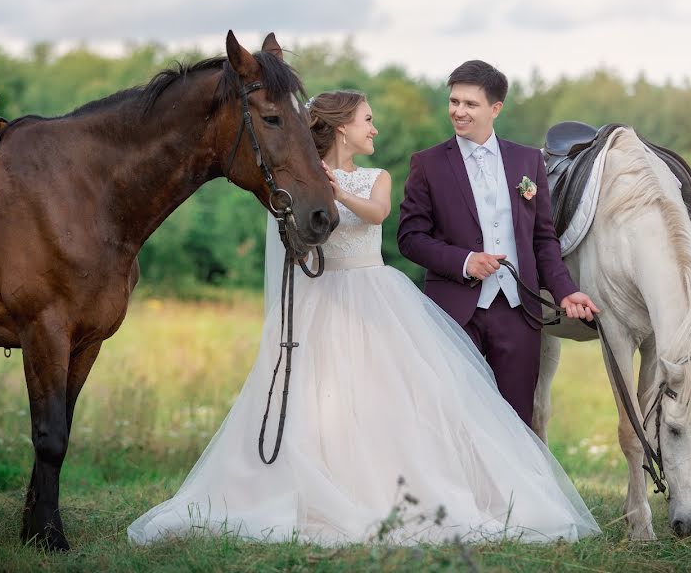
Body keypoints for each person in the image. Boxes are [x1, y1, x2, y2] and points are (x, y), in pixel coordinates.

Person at [127, 90, 600, 546]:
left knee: (389, 400)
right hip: (322, 299)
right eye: (367, 120)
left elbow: (376, 215)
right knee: (322, 401)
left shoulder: (376, 177)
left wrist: (338, 193)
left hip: (375, 298)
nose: (375, 127)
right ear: (340, 128)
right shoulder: (303, 179)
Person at [398, 61, 600, 428]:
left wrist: (566, 291)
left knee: (517, 421)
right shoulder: (427, 165)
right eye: (454, 101)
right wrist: (465, 261)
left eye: (470, 104)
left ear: (495, 108)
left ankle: (513, 489)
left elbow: (543, 239)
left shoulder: (527, 160)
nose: (458, 111)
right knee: (459, 419)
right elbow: (410, 239)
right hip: (455, 313)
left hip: (518, 311)